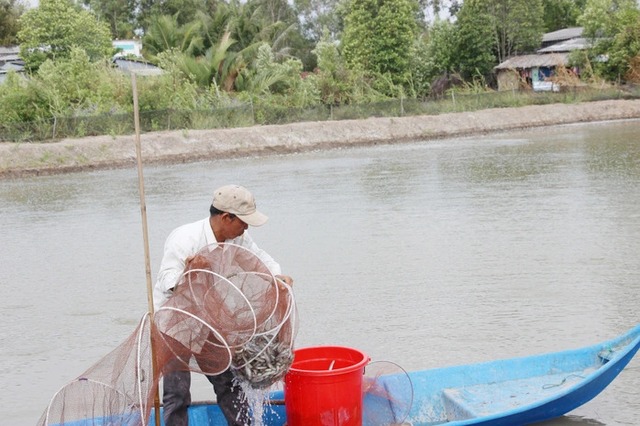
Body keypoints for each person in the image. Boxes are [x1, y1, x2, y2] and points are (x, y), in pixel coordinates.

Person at [153, 184, 293, 426]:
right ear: (226, 217)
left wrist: (278, 277)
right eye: (243, 221)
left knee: (228, 381)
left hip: (208, 320)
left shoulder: (236, 237)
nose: (246, 227)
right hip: (176, 323)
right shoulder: (185, 238)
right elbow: (167, 281)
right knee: (177, 393)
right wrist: (190, 271)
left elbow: (259, 259)